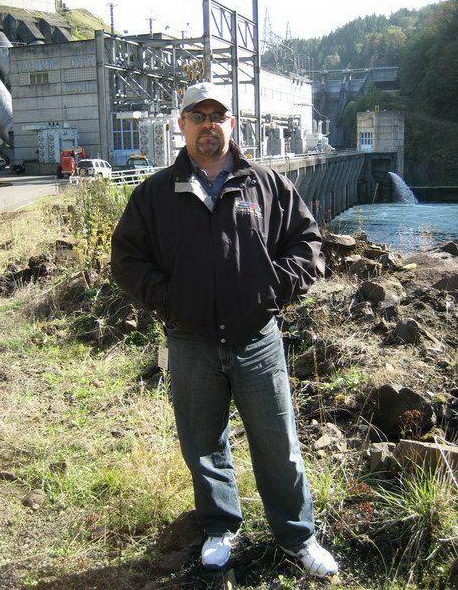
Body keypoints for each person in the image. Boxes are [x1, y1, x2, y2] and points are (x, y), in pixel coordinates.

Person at [111, 82, 338, 578]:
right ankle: (220, 527)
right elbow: (127, 259)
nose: (208, 125)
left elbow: (307, 242)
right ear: (182, 124)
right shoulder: (155, 194)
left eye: (218, 116)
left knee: (278, 444)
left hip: (256, 339)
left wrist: (272, 288)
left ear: (231, 124)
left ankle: (298, 537)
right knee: (203, 442)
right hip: (190, 341)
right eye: (198, 116)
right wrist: (168, 300)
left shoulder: (265, 184)